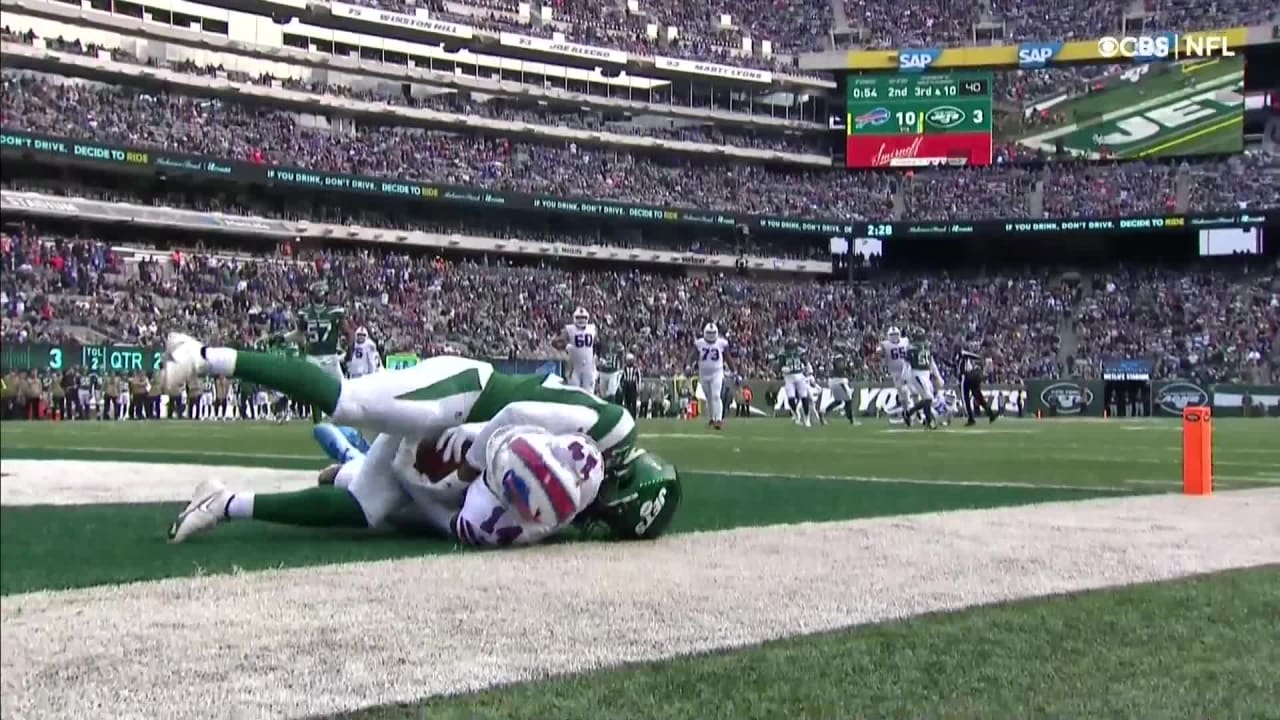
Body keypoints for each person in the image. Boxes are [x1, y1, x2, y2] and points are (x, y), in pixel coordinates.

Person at [694, 323, 730, 429]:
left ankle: (718, 420)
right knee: (708, 397)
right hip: (703, 374)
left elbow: (728, 358)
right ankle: (711, 418)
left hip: (717, 373)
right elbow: (693, 355)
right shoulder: (699, 343)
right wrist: (688, 364)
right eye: (709, 333)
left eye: (712, 333)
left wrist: (734, 371)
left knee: (715, 395)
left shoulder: (722, 343)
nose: (710, 335)